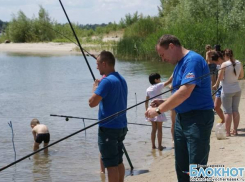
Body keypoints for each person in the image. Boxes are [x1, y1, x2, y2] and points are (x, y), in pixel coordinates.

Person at [145, 34, 214, 182]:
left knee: (197, 168)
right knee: (182, 168)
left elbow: (185, 92)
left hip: (198, 119)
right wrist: (163, 101)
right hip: (181, 120)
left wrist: (158, 110)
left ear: (171, 46)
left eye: (162, 55)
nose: (163, 59)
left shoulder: (192, 60)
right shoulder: (179, 65)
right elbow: (179, 93)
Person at [89, 50, 128, 182]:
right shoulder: (121, 79)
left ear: (104, 64)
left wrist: (95, 87)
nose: (96, 67)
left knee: (111, 165)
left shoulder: (106, 82)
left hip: (109, 128)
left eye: (98, 64)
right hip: (121, 126)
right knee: (118, 161)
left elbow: (92, 103)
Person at [213, 49, 244, 136]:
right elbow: (241, 76)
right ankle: (235, 130)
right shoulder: (239, 63)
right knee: (235, 110)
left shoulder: (224, 65)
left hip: (227, 91)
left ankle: (227, 132)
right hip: (237, 89)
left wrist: (216, 84)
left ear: (225, 56)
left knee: (228, 112)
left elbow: (221, 78)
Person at [145, 73, 167, 151]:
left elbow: (146, 100)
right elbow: (168, 82)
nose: (160, 80)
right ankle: (160, 146)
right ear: (156, 80)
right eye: (159, 79)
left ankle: (153, 146)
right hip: (158, 108)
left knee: (154, 129)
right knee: (160, 129)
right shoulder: (158, 86)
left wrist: (147, 110)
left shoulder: (148, 89)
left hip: (150, 109)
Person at [211, 51, 225, 123]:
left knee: (228, 109)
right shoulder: (218, 66)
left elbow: (221, 77)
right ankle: (223, 120)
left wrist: (216, 84)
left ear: (219, 58)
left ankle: (228, 126)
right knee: (216, 107)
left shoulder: (226, 64)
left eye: (215, 62)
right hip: (220, 87)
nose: (215, 64)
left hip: (225, 88)